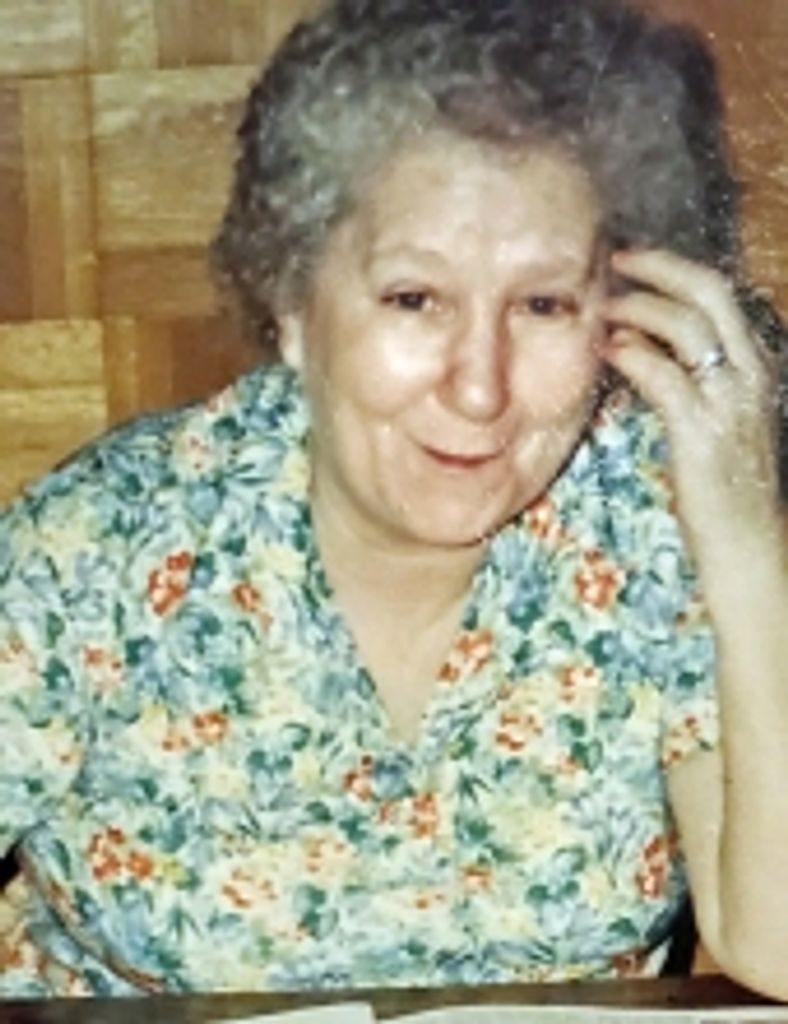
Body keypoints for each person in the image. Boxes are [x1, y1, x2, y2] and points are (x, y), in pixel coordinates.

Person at [1, 0, 786, 1000]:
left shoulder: (649, 522)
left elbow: (778, 946)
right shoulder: (98, 550)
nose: (479, 388)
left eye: (542, 304)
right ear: (292, 301)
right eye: (415, 299)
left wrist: (745, 535)